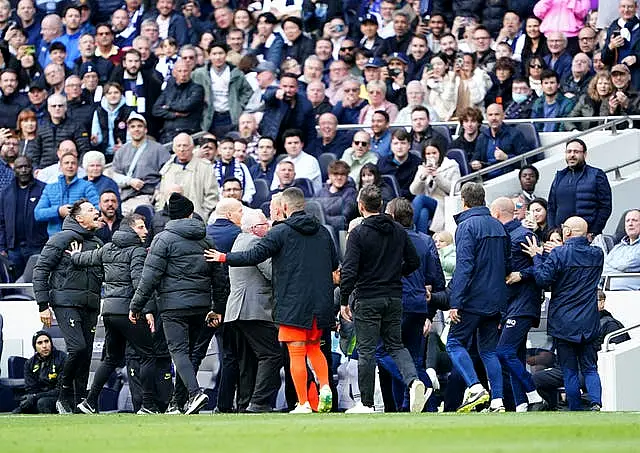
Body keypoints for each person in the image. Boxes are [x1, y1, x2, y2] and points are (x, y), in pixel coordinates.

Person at [205, 188, 338, 414]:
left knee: (296, 353)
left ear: (285, 208)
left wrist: (224, 257)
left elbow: (253, 256)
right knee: (315, 348)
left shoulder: (281, 232)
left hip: (293, 303)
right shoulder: (324, 232)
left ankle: (304, 403)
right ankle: (325, 386)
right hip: (320, 302)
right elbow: (334, 263)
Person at [130, 192, 229, 415]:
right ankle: (178, 402)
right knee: (191, 354)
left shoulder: (163, 239)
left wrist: (136, 306)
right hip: (201, 305)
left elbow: (149, 277)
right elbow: (219, 278)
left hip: (173, 307)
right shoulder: (206, 238)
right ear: (190, 213)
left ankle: (194, 393)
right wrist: (217, 308)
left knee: (179, 352)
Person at [339, 185, 429, 414]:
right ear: (380, 205)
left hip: (368, 298)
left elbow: (349, 270)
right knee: (396, 345)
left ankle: (366, 403)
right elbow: (414, 262)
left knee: (367, 351)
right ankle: (413, 381)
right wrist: (393, 274)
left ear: (361, 206)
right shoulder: (398, 230)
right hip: (394, 296)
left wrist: (343, 300)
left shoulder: (358, 233)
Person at [69, 214, 159, 414]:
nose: (146, 231)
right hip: (129, 312)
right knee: (148, 356)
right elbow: (139, 283)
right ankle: (148, 405)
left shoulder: (107, 248)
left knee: (110, 358)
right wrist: (146, 310)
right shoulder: (137, 251)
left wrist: (75, 255)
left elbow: (85, 259)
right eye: (142, 227)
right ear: (131, 228)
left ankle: (90, 401)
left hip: (108, 311)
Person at [522, 216, 604, 411]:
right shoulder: (597, 254)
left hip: (564, 321)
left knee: (569, 370)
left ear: (566, 232)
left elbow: (542, 279)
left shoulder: (559, 254)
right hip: (589, 320)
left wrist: (537, 256)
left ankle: (575, 408)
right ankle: (596, 403)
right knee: (590, 367)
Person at [33, 199, 104, 414]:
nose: (97, 212)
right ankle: (63, 394)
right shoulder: (61, 239)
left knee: (86, 354)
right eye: (91, 210)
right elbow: (41, 270)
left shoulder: (98, 243)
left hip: (90, 304)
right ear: (79, 218)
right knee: (77, 348)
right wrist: (43, 305)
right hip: (65, 303)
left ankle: (82, 402)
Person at [446, 182, 510, 413]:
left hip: (472, 299)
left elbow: (464, 267)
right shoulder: (499, 226)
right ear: (483, 199)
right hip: (496, 299)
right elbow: (507, 265)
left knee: (453, 343)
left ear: (463, 201)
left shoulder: (466, 226)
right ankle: (498, 401)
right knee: (489, 351)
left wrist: (455, 302)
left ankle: (475, 387)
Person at [491, 198, 547, 413]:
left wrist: (522, 274)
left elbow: (545, 266)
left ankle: (534, 395)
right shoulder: (508, 236)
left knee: (503, 352)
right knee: (516, 355)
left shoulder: (523, 235)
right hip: (512, 304)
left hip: (523, 304)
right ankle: (522, 404)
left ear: (496, 214)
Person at [224, 209, 282, 413]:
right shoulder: (255, 243)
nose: (268, 227)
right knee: (273, 354)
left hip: (236, 311)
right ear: (254, 229)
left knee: (247, 361)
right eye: (264, 225)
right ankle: (259, 402)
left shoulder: (239, 240)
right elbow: (272, 273)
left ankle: (244, 404)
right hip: (254, 309)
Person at [547, 139, 612, 237]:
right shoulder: (559, 176)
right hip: (560, 237)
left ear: (585, 154)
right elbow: (551, 207)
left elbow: (605, 207)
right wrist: (552, 231)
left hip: (586, 237)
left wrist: (593, 232)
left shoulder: (597, 175)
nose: (572, 155)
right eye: (569, 151)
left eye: (576, 152)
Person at [111, 112, 170, 215]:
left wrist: (158, 190)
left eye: (140, 126)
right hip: (125, 199)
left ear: (145, 129)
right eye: (132, 126)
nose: (136, 129)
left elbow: (168, 172)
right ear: (128, 130)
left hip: (147, 197)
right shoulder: (121, 151)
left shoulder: (158, 149)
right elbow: (114, 175)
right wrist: (129, 181)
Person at [0, 156, 48, 280]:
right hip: (14, 249)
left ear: (32, 168)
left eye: (26, 166)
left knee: (37, 281)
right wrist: (2, 246)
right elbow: (1, 222)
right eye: (20, 167)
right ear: (14, 169)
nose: (23, 170)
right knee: (16, 285)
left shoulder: (43, 189)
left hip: (37, 246)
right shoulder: (6, 192)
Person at [192, 42, 254, 137]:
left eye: (221, 53)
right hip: (210, 114)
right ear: (209, 55)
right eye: (214, 54)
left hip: (230, 114)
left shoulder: (236, 73)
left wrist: (239, 104)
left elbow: (247, 91)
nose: (218, 57)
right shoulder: (200, 74)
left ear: (226, 55)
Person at [155, 133, 219, 221]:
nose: (182, 149)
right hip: (169, 220)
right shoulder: (167, 168)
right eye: (179, 146)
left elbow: (212, 196)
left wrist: (203, 215)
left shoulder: (205, 167)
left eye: (185, 145)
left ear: (192, 147)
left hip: (195, 220)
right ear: (173, 148)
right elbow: (161, 195)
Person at [34, 151, 99, 236]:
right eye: (66, 163)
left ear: (77, 167)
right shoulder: (50, 188)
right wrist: (58, 211)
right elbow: (38, 214)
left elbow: (97, 209)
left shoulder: (87, 186)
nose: (70, 166)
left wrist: (79, 213)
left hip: (81, 237)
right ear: (60, 166)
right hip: (55, 239)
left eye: (73, 163)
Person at [410, 138, 461, 233]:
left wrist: (437, 176)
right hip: (427, 203)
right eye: (428, 154)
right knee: (423, 213)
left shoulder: (452, 165)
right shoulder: (422, 168)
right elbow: (413, 191)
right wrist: (422, 177)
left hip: (443, 203)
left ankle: (406, 228)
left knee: (420, 198)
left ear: (440, 153)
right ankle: (421, 241)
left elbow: (455, 189)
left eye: (434, 153)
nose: (431, 156)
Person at [471, 103, 531, 179]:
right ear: (486, 117)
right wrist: (475, 164)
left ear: (503, 116)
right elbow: (475, 158)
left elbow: (527, 159)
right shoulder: (482, 137)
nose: (493, 118)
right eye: (490, 115)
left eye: (497, 114)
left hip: (508, 178)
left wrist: (507, 157)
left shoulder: (515, 134)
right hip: (486, 179)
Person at [30, 94, 90, 169]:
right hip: (44, 169)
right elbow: (35, 152)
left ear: (65, 107)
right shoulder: (41, 127)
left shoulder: (76, 126)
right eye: (54, 106)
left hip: (69, 168)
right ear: (48, 108)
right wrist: (35, 169)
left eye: (60, 106)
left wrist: (79, 167)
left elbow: (84, 149)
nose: (57, 108)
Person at [151, 60, 204, 143]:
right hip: (168, 134)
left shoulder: (197, 89)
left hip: (188, 133)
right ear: (174, 73)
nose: (183, 74)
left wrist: (168, 106)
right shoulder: (169, 89)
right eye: (179, 71)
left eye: (185, 71)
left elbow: (185, 106)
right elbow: (156, 110)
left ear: (190, 71)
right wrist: (174, 114)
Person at [259, 73, 315, 151]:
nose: (288, 90)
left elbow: (310, 131)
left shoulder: (305, 104)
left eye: (291, 87)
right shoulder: (274, 97)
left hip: (294, 145)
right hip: (273, 141)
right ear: (280, 86)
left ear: (297, 88)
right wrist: (275, 93)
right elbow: (266, 96)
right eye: (284, 86)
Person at [14, 331, 67, 414]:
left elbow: (60, 390)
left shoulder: (62, 358)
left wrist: (35, 396)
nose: (44, 346)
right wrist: (32, 397)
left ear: (51, 343)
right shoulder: (30, 363)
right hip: (38, 397)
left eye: (46, 341)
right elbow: (31, 389)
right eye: (40, 343)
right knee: (21, 406)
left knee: (42, 403)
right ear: (35, 346)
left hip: (59, 398)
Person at [601, 0, 640, 89]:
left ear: (636, 8)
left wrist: (636, 58)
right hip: (616, 78)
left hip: (636, 78)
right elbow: (604, 59)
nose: (626, 10)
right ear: (619, 8)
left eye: (630, 7)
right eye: (623, 6)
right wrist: (611, 46)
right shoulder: (613, 26)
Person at [377, 129, 421, 200]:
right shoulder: (382, 163)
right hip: (387, 201)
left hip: (410, 202)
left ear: (409, 145)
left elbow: (417, 190)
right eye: (396, 143)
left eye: (403, 143)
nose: (399, 147)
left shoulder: (418, 163)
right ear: (391, 145)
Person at [315, 160, 358, 231]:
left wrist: (322, 217)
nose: (339, 178)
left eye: (342, 174)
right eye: (335, 174)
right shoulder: (321, 192)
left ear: (347, 176)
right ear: (329, 176)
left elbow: (345, 217)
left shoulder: (351, 193)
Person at [602, 209, 640, 290]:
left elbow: (626, 265)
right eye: (627, 221)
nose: (630, 224)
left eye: (634, 220)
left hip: (633, 295)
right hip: (609, 293)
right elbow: (604, 268)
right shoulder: (618, 247)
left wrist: (612, 266)